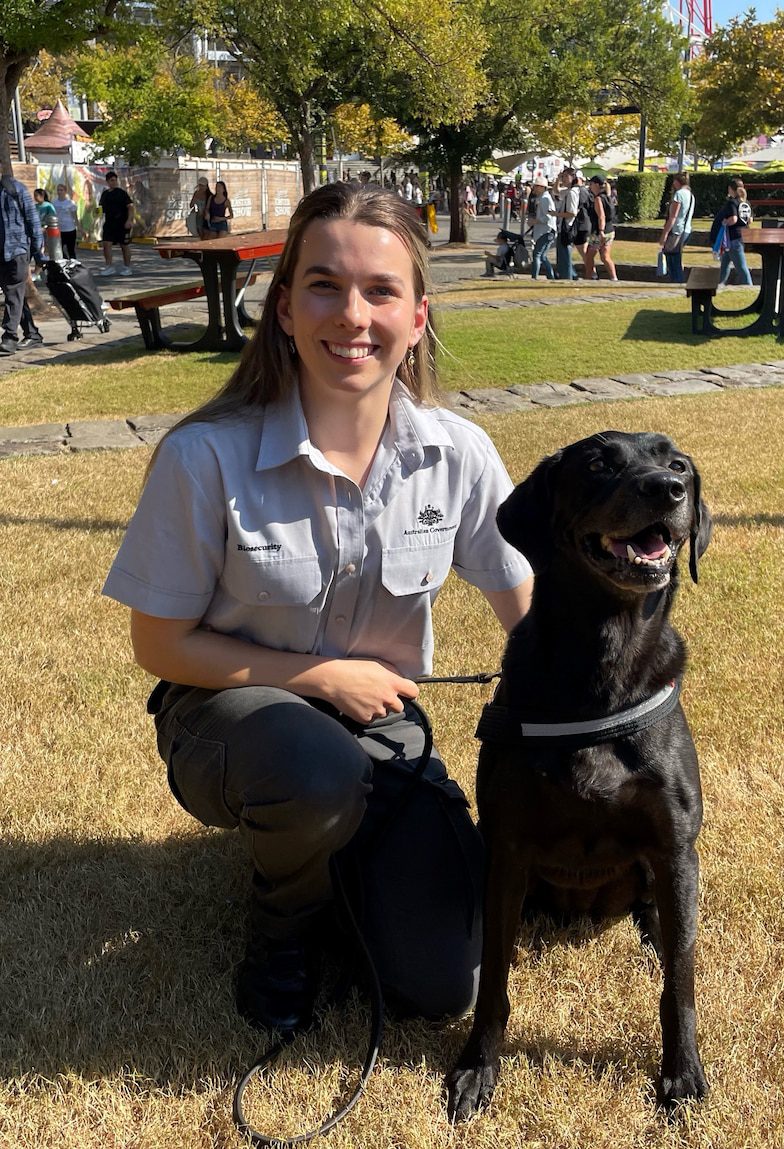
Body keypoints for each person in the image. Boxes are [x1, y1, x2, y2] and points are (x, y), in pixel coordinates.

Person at [102, 181, 534, 1040]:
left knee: (440, 983)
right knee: (312, 771)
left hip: (383, 729)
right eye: (325, 285)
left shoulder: (459, 453)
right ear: (286, 308)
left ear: (418, 316)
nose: (352, 315)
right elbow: (159, 644)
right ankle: (283, 927)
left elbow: (529, 613)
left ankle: (340, 857)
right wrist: (320, 676)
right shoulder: (205, 456)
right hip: (226, 716)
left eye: (381, 290)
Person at [0, 175, 44, 355]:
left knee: (12, 291)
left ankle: (9, 337)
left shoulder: (16, 189)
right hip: (1, 254)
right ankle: (32, 334)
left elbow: (33, 221)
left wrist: (37, 253)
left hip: (17, 250)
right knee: (15, 294)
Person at [712, 178, 753, 286]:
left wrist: (725, 222)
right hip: (741, 235)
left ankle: (748, 285)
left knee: (741, 266)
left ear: (731, 189)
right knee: (725, 262)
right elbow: (750, 220)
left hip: (733, 237)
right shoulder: (746, 203)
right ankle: (720, 284)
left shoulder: (732, 202)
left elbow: (733, 219)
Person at [658, 172, 695, 284]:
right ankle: (677, 280)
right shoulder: (690, 195)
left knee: (672, 258)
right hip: (686, 229)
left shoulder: (679, 194)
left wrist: (664, 234)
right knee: (676, 256)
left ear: (677, 182)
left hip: (677, 230)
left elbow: (673, 217)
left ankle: (676, 280)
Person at [583, 175, 618, 282]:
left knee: (589, 255)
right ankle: (614, 277)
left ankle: (589, 277)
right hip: (610, 230)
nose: (590, 186)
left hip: (600, 231)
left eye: (591, 184)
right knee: (605, 256)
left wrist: (601, 231)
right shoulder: (608, 197)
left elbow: (601, 216)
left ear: (597, 185)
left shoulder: (598, 199)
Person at [98, 170, 134, 277]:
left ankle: (127, 267)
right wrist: (96, 213)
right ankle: (109, 267)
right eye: (111, 181)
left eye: (115, 180)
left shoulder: (122, 193)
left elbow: (130, 207)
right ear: (107, 182)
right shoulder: (105, 194)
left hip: (122, 223)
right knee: (106, 244)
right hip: (109, 223)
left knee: (124, 245)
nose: (114, 182)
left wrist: (129, 220)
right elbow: (100, 208)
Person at [528, 174, 557, 280]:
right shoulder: (543, 198)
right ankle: (551, 276)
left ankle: (534, 277)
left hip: (546, 231)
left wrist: (535, 221)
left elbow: (547, 217)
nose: (534, 188)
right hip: (546, 231)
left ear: (541, 187)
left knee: (537, 254)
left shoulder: (544, 199)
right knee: (542, 256)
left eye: (536, 186)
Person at [553, 168, 579, 281]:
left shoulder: (572, 193)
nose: (563, 179)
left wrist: (557, 214)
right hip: (563, 226)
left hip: (567, 227)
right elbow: (556, 191)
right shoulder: (567, 191)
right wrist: (558, 179)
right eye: (563, 176)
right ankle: (568, 275)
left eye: (565, 176)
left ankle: (567, 276)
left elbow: (572, 213)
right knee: (561, 254)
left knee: (565, 255)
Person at [54, 182, 79, 258]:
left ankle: (74, 266)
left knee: (70, 250)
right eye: (58, 190)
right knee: (59, 250)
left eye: (61, 190)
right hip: (59, 230)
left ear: (65, 191)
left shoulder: (70, 203)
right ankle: (64, 265)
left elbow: (75, 216)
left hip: (70, 229)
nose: (59, 192)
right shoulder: (54, 203)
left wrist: (80, 228)